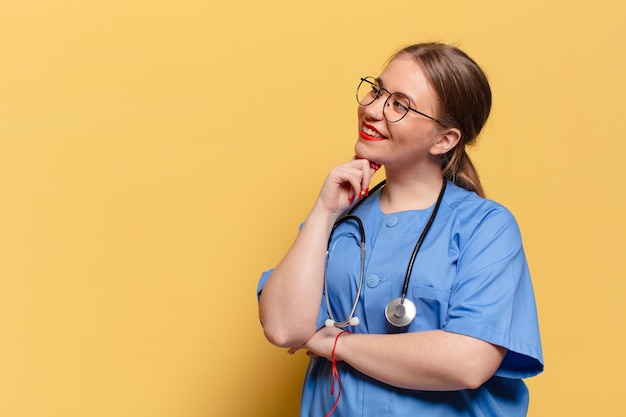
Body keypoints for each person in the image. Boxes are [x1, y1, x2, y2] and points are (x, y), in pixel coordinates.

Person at [257, 42, 543, 417]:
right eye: (377, 90)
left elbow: (468, 361)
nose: (372, 110)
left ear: (444, 140)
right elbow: (282, 327)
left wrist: (335, 344)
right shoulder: (340, 220)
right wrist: (323, 211)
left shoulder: (486, 228)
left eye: (400, 105)